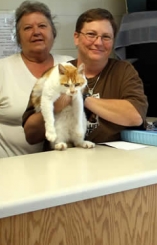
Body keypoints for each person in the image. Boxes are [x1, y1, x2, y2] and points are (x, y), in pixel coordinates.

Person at [23, 8, 148, 145]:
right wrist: (53, 108)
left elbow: (135, 116)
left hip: (110, 160)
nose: (98, 42)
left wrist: (81, 98)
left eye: (106, 37)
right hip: (62, 159)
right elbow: (30, 136)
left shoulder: (123, 71)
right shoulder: (56, 74)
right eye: (91, 34)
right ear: (76, 38)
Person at [0, 1, 72, 159]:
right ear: (18, 38)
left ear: (53, 33)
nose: (36, 32)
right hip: (9, 170)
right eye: (28, 28)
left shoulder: (70, 66)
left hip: (64, 167)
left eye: (42, 26)